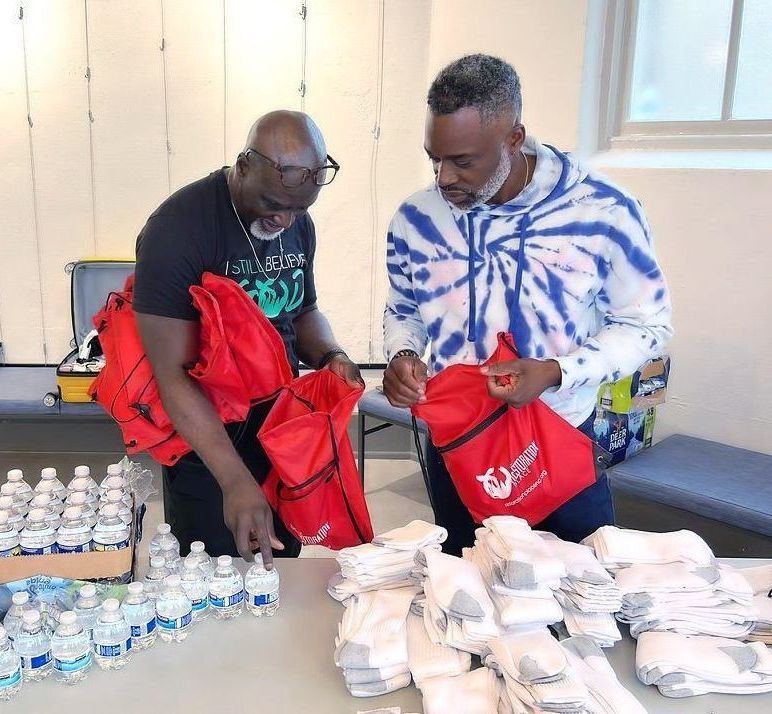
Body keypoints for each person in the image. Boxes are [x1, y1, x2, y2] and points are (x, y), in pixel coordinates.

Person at [382, 55, 672, 555]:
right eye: (435, 158)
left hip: (558, 435)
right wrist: (402, 354)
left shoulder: (603, 210)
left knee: (584, 593)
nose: (443, 177)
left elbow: (647, 325)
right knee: (467, 592)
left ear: (515, 138)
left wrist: (556, 371)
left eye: (463, 161)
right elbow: (404, 307)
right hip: (458, 442)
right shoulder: (417, 217)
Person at [133, 111, 362, 566]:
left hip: (280, 426)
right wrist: (235, 480)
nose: (285, 219)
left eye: (299, 209)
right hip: (207, 437)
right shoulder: (177, 229)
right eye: (273, 203)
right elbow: (172, 376)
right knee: (215, 569)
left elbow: (302, 310)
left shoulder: (296, 220)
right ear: (242, 166)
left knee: (280, 564)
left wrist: (332, 355)